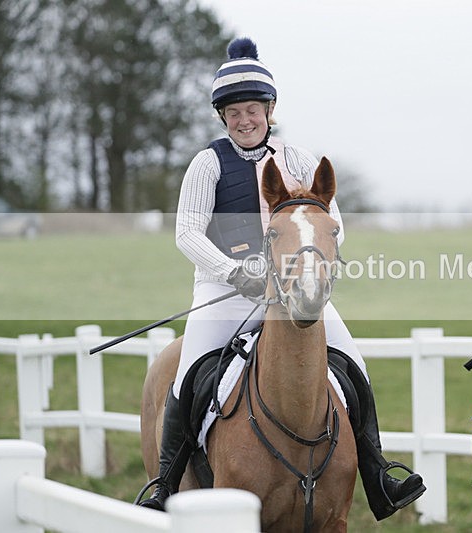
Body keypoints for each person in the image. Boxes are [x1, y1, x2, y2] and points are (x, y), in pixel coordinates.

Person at [138, 37, 425, 520]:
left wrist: (309, 272)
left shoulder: (299, 159)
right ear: (222, 117)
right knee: (187, 378)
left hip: (295, 290)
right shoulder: (207, 164)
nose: (244, 120)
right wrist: (232, 271)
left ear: (270, 109)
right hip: (225, 293)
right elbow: (186, 233)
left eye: (253, 109)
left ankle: (377, 473)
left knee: (356, 370)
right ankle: (165, 482)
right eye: (234, 113)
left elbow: (332, 222)